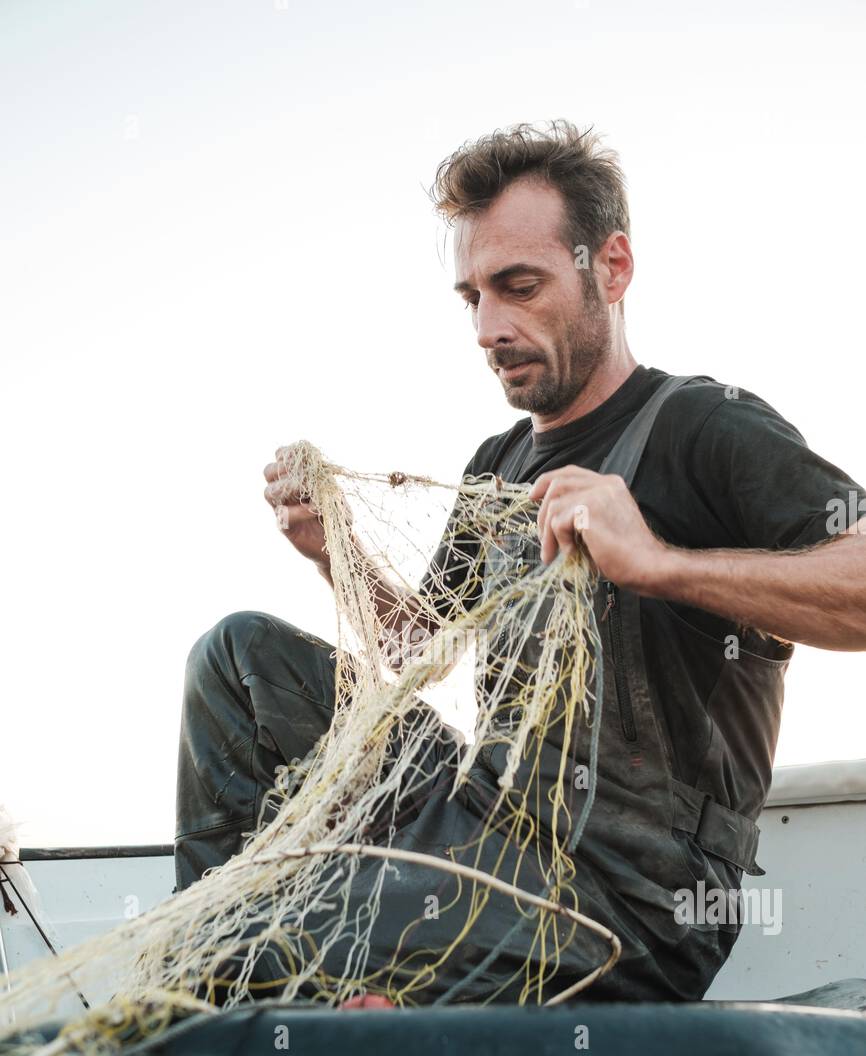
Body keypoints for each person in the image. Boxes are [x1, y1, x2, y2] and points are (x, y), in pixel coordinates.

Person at [175, 120, 866, 1005]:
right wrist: (335, 556)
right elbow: (423, 647)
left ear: (610, 268)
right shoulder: (496, 465)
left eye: (519, 286)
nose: (488, 327)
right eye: (471, 297)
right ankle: (221, 972)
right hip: (482, 831)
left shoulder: (706, 426)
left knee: (291, 939)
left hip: (630, 894)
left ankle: (289, 979)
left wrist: (658, 563)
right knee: (237, 658)